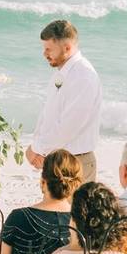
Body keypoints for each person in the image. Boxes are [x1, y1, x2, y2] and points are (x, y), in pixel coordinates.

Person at [25, 20, 102, 182]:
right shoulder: (63, 73)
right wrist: (38, 148)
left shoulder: (83, 76)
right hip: (58, 159)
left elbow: (69, 126)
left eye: (48, 49)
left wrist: (38, 148)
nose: (44, 54)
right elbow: (48, 116)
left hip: (76, 163)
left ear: (67, 48)